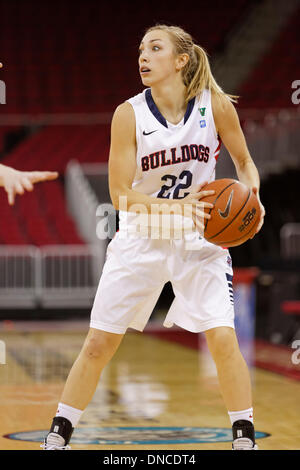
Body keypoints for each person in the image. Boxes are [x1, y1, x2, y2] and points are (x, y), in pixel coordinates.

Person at [42, 24, 265, 451]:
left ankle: (244, 437)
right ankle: (59, 432)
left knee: (222, 337)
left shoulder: (214, 105)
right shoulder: (128, 114)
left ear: (181, 60)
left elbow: (244, 161)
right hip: (141, 237)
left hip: (200, 240)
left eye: (154, 48)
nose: (143, 56)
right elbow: (120, 196)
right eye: (141, 49)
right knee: (98, 343)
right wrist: (176, 207)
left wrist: (252, 194)